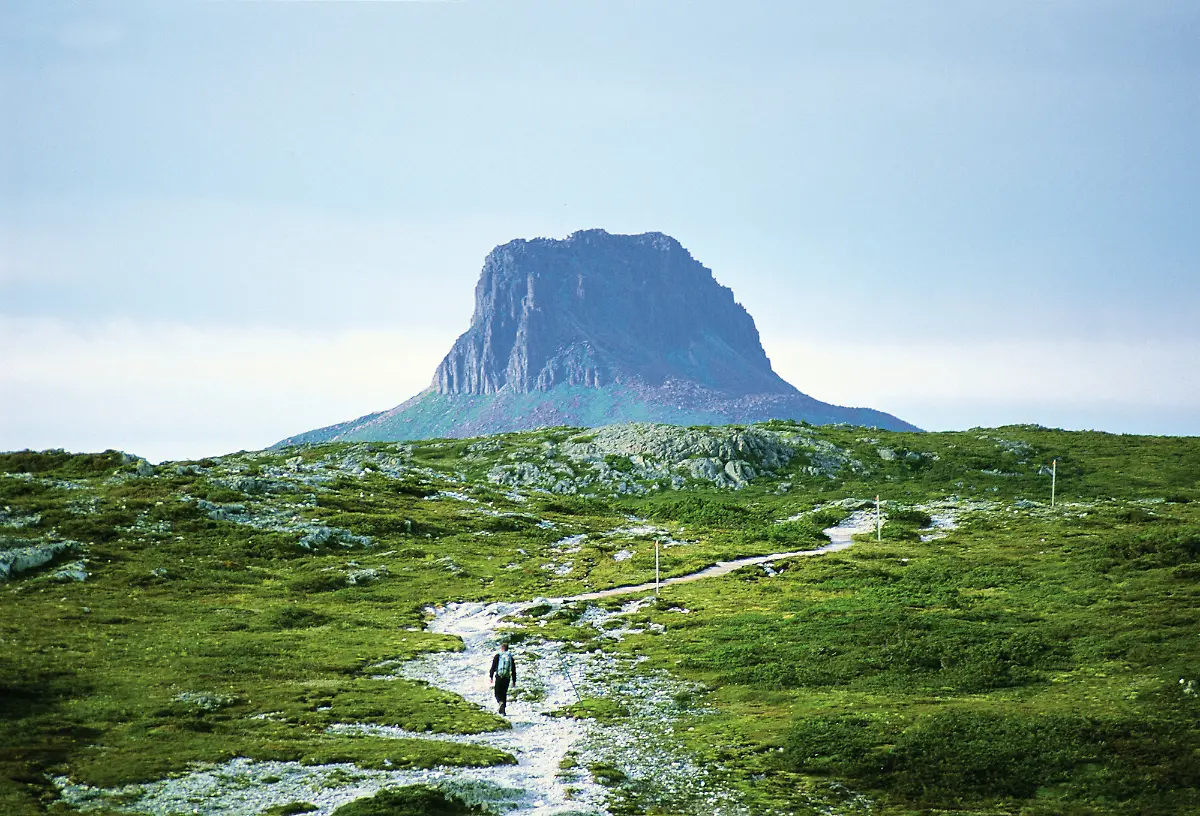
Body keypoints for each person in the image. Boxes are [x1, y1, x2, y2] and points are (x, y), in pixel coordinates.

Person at [488, 642, 517, 715]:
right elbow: (513, 669)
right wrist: (514, 680)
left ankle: (500, 702)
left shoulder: (498, 656)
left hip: (499, 676)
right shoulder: (510, 657)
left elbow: (493, 667)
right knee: (504, 693)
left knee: (497, 692)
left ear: (502, 648)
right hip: (507, 678)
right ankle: (503, 710)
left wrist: (491, 676)